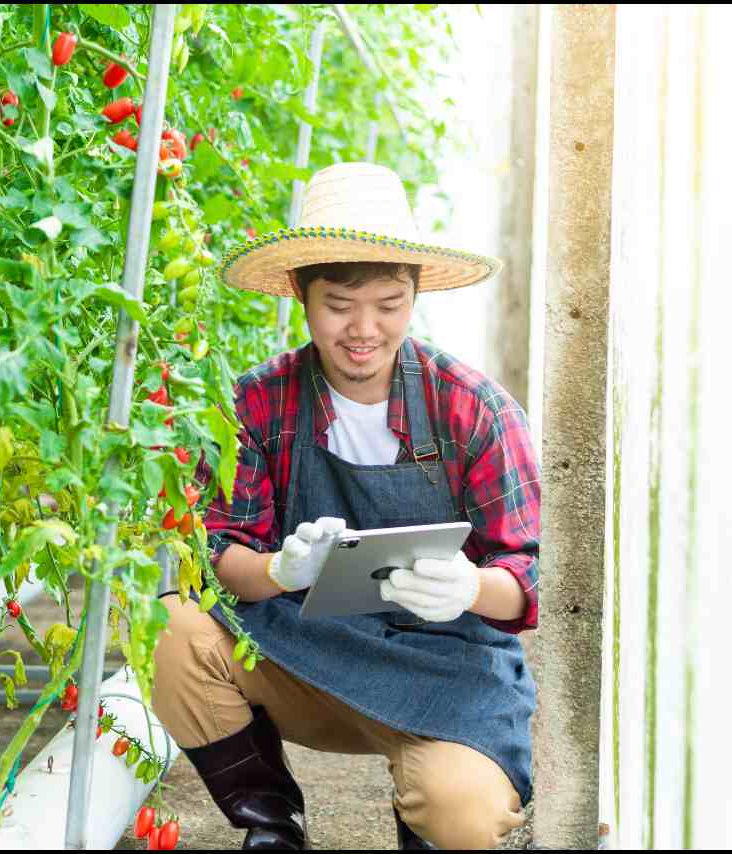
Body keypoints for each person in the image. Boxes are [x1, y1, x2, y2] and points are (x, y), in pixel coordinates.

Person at [150, 162, 540, 850]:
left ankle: (422, 810)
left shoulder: (473, 409)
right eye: (338, 304)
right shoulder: (257, 404)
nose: (363, 329)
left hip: (442, 671)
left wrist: (470, 586)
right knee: (169, 628)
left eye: (389, 305)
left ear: (414, 296)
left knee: (463, 814)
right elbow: (216, 554)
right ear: (302, 294)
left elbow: (528, 583)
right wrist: (280, 571)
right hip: (301, 651)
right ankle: (271, 822)